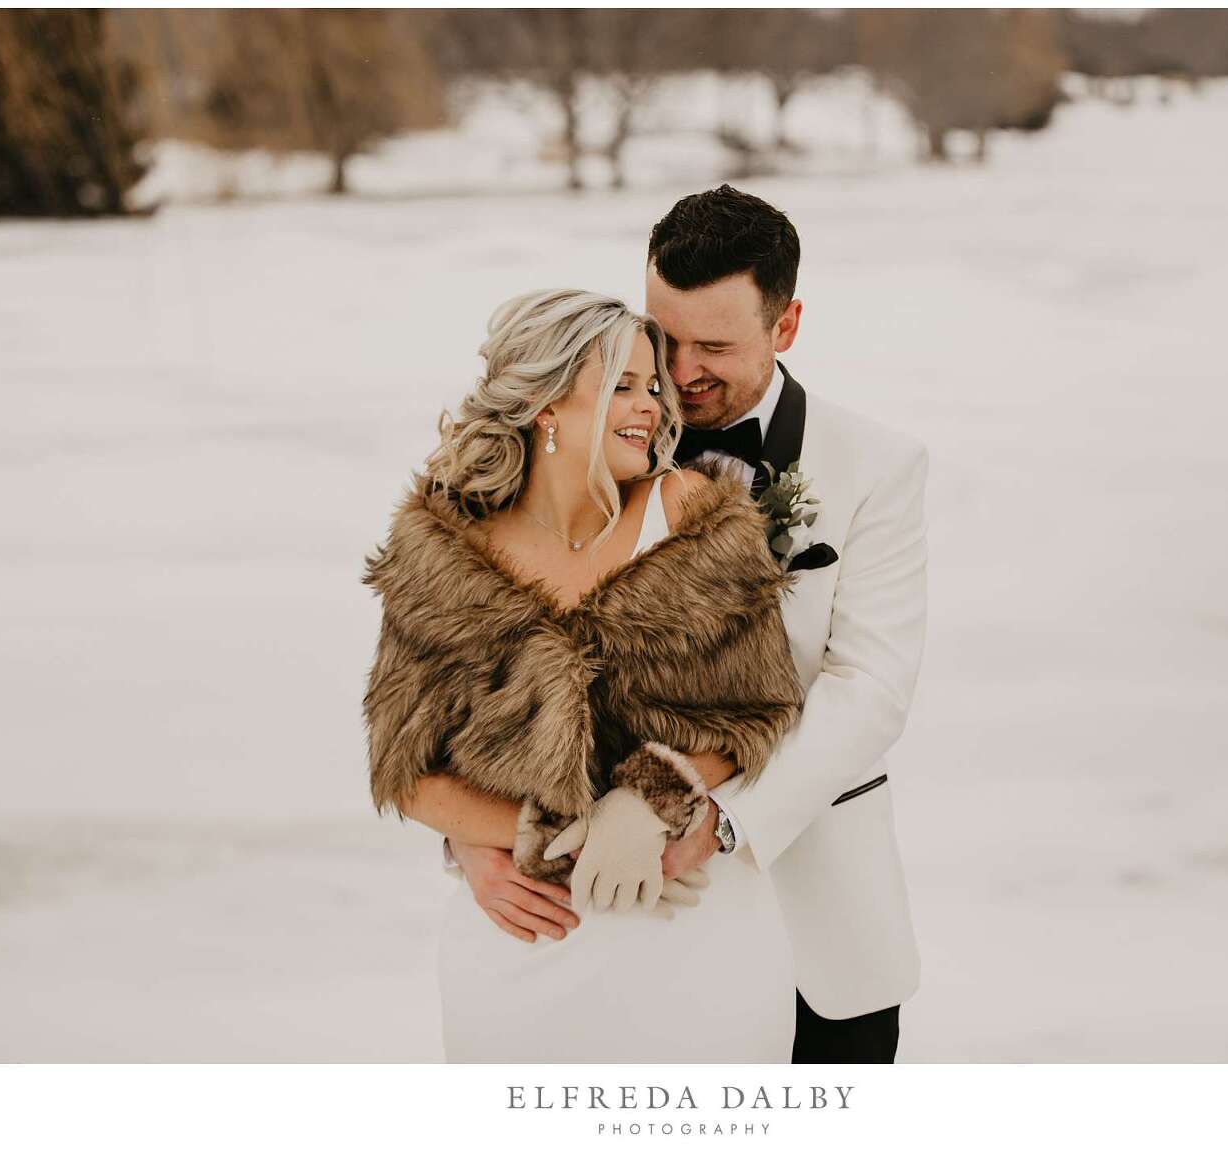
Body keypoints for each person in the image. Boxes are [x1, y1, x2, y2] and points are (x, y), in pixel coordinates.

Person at [449, 187, 929, 1063]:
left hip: (820, 917)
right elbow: (486, 679)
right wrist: (474, 835)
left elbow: (870, 690)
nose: (679, 370)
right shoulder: (600, 442)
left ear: (784, 328)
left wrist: (715, 817)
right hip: (624, 932)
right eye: (665, 337)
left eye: (715, 346)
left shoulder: (877, 468)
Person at [363, 288, 806, 1062]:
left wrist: (645, 804)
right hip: (520, 948)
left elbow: (759, 715)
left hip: (689, 941)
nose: (653, 408)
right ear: (545, 407)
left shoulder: (696, 517)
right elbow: (405, 768)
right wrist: (557, 837)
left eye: (653, 387)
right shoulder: (440, 550)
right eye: (623, 386)